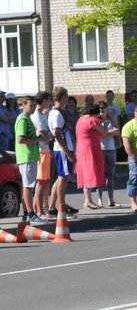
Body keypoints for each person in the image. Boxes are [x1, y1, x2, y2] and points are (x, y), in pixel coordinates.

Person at [15, 95, 49, 223]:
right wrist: (38, 139)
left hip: (31, 155)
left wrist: (37, 136)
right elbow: (20, 139)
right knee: (28, 186)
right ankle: (30, 213)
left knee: (28, 185)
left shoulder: (28, 118)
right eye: (30, 105)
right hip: (26, 156)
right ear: (23, 105)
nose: (33, 108)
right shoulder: (22, 119)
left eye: (34, 105)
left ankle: (27, 213)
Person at [48, 87, 78, 217]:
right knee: (63, 177)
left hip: (63, 149)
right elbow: (58, 135)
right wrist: (68, 153)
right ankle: (61, 205)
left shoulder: (59, 113)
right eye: (66, 96)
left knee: (61, 177)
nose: (68, 99)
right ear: (62, 98)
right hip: (62, 150)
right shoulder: (56, 114)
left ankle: (52, 207)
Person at [74, 103, 107, 210]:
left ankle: (88, 200)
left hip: (81, 148)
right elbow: (103, 132)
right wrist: (104, 120)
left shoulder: (80, 120)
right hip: (90, 148)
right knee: (90, 171)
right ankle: (88, 201)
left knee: (85, 172)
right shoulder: (92, 120)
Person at [30, 92, 53, 219]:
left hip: (45, 150)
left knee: (44, 181)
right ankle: (39, 211)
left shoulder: (42, 115)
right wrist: (48, 136)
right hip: (41, 151)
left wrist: (48, 136)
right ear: (43, 100)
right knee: (41, 181)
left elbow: (48, 134)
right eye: (48, 100)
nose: (49, 102)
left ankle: (37, 208)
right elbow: (45, 136)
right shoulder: (37, 117)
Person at [97, 100, 121, 208]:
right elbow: (98, 134)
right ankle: (99, 199)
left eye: (103, 108)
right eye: (100, 108)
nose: (101, 110)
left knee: (110, 175)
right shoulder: (96, 119)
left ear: (106, 108)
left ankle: (111, 199)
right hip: (100, 149)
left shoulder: (111, 118)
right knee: (100, 175)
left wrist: (106, 133)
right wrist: (106, 133)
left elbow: (117, 131)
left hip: (111, 149)